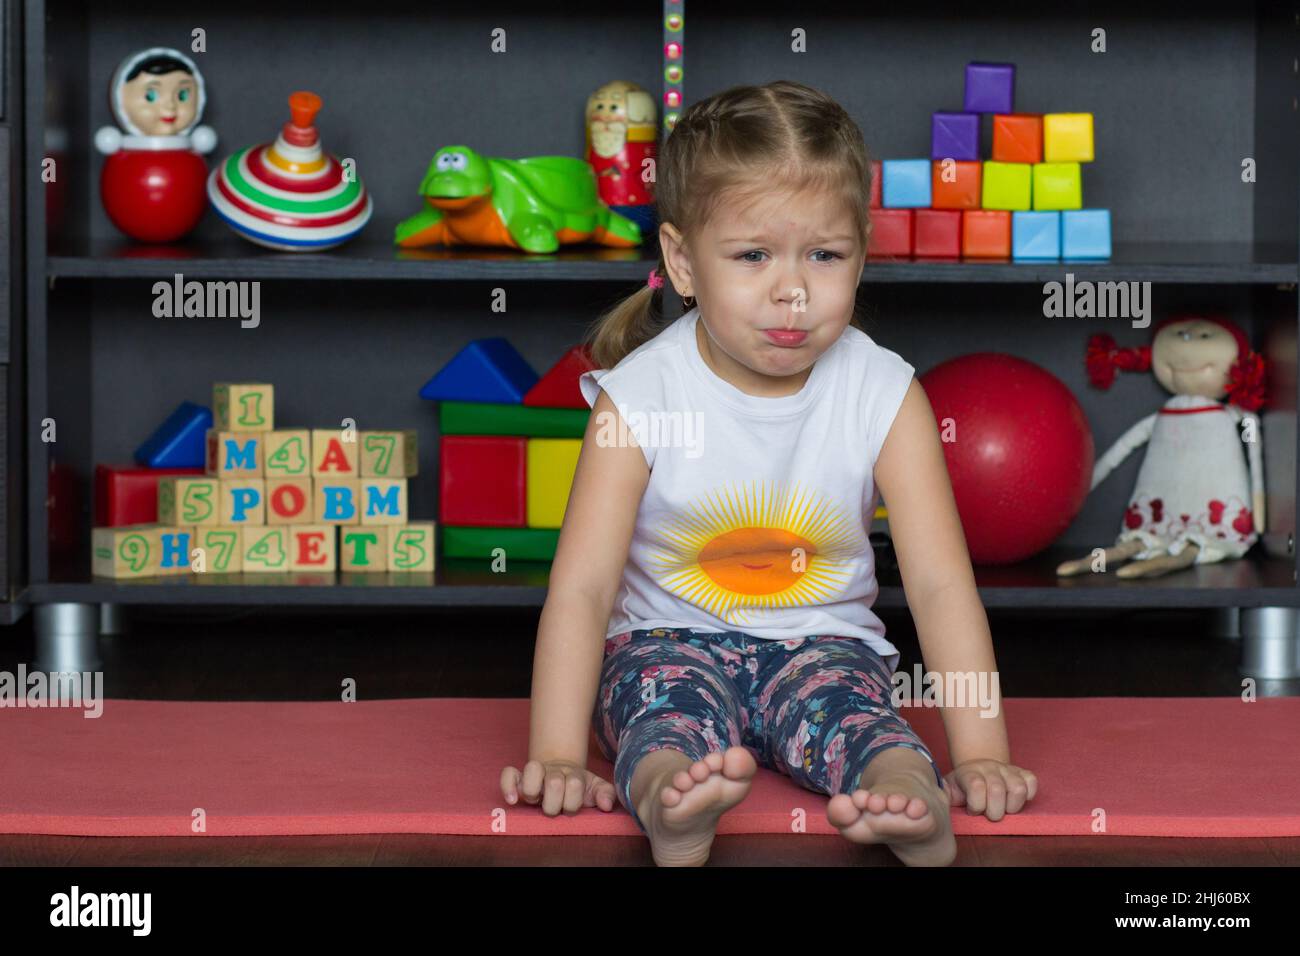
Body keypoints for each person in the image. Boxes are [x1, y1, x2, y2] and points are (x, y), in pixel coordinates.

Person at [500, 80, 1036, 866]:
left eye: (825, 255)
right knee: (660, 720)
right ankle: (669, 801)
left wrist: (981, 749)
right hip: (666, 641)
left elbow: (940, 586)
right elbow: (581, 588)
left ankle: (908, 798)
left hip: (823, 645)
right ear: (682, 262)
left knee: (865, 721)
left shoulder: (885, 392)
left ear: (862, 251)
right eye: (753, 256)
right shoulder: (640, 397)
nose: (792, 292)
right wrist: (556, 752)